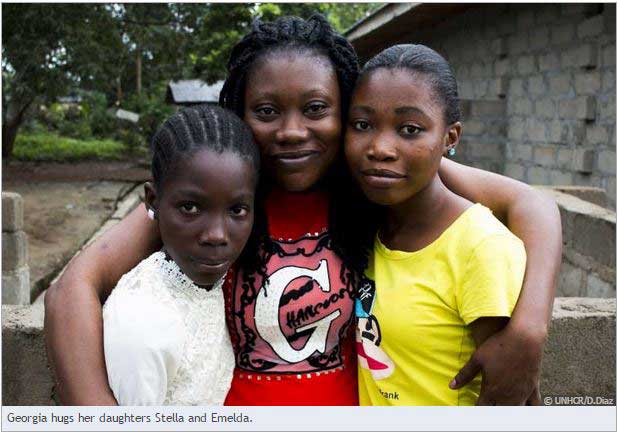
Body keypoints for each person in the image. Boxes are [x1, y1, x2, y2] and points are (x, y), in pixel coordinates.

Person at [44, 14, 561, 406]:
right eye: (266, 112)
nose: (292, 132)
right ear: (239, 113)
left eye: (316, 109)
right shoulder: (215, 203)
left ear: (346, 114)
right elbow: (72, 290)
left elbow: (530, 204)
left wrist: (529, 328)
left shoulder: (372, 178)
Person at [346, 44, 528, 405]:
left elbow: (508, 396)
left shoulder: (479, 247)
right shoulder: (371, 226)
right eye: (363, 124)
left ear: (450, 138)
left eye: (410, 129)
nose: (380, 147)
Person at [103, 105, 260, 405]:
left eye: (237, 210)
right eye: (190, 207)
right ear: (153, 202)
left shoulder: (207, 284)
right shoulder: (144, 322)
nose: (216, 234)